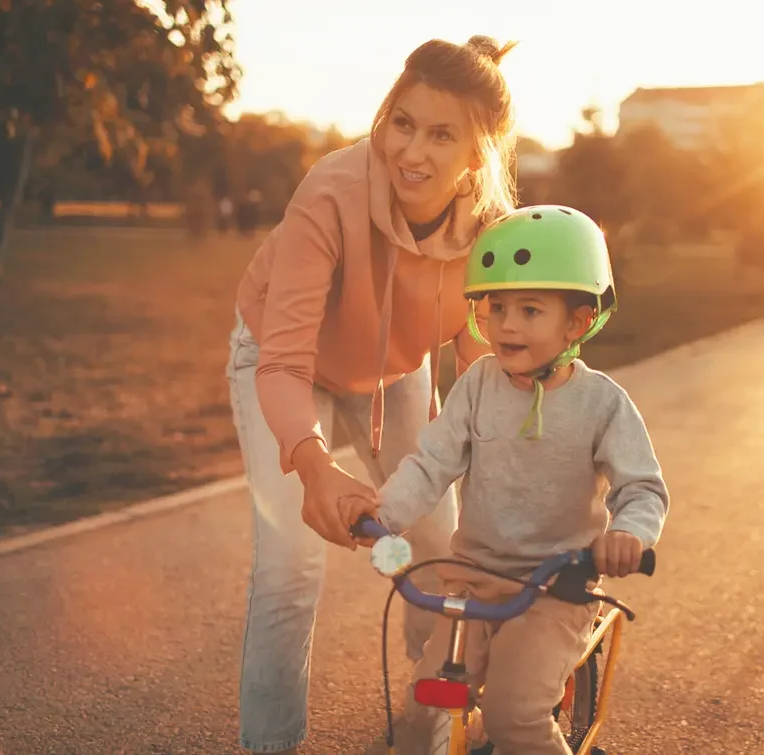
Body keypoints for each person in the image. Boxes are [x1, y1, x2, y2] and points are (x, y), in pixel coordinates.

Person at [225, 34, 519, 754]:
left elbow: (483, 374)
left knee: (439, 542)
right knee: (291, 566)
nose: (411, 151)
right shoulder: (332, 189)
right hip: (281, 360)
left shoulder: (489, 234)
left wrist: (507, 468)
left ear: (477, 155)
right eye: (402, 122)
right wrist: (316, 465)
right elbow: (285, 358)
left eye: (440, 135)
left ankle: (434, 717)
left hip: (393, 372)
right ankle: (270, 744)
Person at [343, 205, 670, 754]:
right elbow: (431, 462)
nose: (507, 324)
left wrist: (628, 534)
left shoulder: (602, 404)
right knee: (425, 708)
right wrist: (386, 513)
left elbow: (643, 488)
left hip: (554, 588)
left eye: (530, 309)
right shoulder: (477, 384)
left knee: (514, 713)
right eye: (496, 307)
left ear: (578, 322)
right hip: (469, 578)